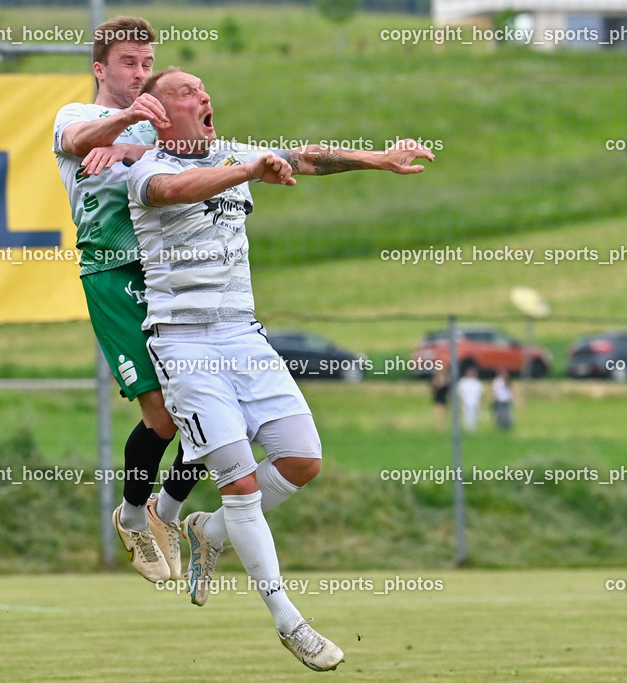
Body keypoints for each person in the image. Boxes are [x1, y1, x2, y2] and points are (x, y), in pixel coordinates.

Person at [125, 66, 434, 671]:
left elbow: (307, 157)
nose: (203, 96)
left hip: (243, 334)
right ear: (158, 114)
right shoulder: (147, 168)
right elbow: (176, 191)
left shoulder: (238, 153)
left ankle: (210, 533)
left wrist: (378, 159)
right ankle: (290, 622)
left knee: (301, 460)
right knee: (240, 484)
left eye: (203, 88)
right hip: (184, 343)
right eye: (186, 92)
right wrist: (249, 170)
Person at [52, 17, 206, 584]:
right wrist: (121, 127)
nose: (140, 73)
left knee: (208, 412)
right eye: (128, 63)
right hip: (112, 274)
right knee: (162, 417)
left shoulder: (156, 121)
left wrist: (129, 147)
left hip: (173, 273)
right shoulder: (76, 115)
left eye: (147, 64)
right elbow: (78, 142)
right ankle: (134, 515)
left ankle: (167, 510)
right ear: (100, 68)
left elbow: (201, 156)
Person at [455, 366, 483, 432]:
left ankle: (472, 429)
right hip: (465, 401)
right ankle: (468, 429)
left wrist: (479, 401)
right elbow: (459, 391)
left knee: (473, 415)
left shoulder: (476, 382)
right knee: (467, 415)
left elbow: (480, 392)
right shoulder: (463, 381)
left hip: (474, 401)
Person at [430, 365, 450, 431]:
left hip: (443, 398)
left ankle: (443, 426)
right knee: (438, 413)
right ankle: (439, 426)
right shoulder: (436, 381)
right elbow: (434, 389)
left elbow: (447, 391)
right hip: (438, 399)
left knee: (444, 413)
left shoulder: (446, 381)